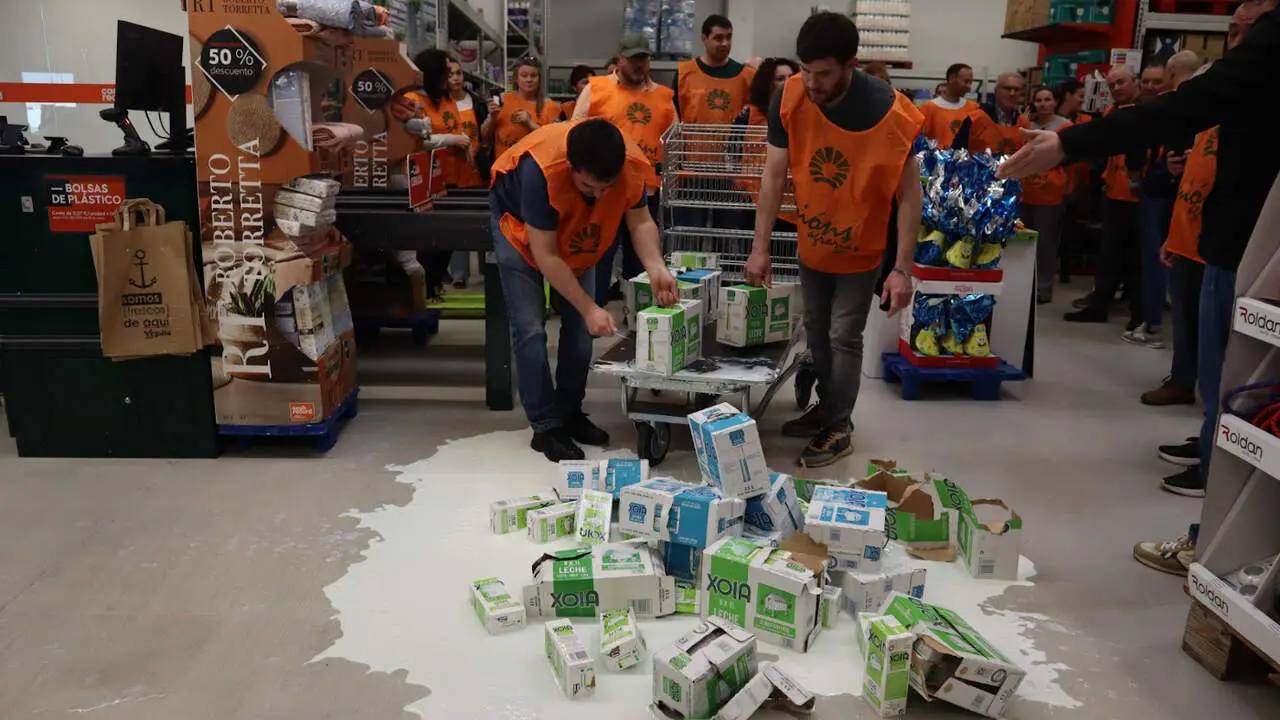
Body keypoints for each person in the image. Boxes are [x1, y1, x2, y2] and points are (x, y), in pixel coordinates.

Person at [998, 0, 1280, 571]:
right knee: (1235, 398)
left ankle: (1220, 551)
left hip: (1251, 249)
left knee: (1239, 400)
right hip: (1238, 241)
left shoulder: (1271, 45)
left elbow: (1189, 106)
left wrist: (1071, 143)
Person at [746, 12, 922, 468]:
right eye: (805, 70)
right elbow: (773, 175)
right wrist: (760, 247)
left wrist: (903, 268)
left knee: (845, 335)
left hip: (861, 251)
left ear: (851, 64)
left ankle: (839, 425)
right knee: (818, 335)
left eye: (823, 73)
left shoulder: (892, 112)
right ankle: (827, 407)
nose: (811, 82)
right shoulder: (788, 98)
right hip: (813, 243)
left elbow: (909, 196)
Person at [489, 118, 677, 461]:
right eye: (590, 186)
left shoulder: (629, 166)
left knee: (580, 330)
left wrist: (656, 267)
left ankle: (569, 411)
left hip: (582, 229)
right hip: (518, 226)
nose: (601, 194)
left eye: (607, 187)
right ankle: (546, 427)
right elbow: (546, 256)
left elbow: (641, 221)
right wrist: (589, 307)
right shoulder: (541, 170)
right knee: (530, 326)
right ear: (571, 168)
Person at [572, 34, 677, 303]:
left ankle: (640, 318)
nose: (639, 65)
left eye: (644, 59)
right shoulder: (596, 88)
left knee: (640, 262)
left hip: (645, 193)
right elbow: (573, 131)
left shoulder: (664, 97)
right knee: (598, 255)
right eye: (633, 59)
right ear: (620, 60)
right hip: (602, 190)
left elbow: (675, 143)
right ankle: (591, 312)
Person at [1128, 51, 1203, 349]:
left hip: (1161, 192)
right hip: (1189, 194)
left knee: (1156, 259)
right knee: (1180, 262)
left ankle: (1151, 325)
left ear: (1171, 73)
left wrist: (1148, 178)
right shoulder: (1208, 104)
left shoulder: (1173, 105)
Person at [1062, 67, 1145, 328]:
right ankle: (1100, 306)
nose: (1117, 88)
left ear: (1135, 82)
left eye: (1122, 82)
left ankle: (1140, 317)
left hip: (1142, 198)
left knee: (1137, 260)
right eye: (1112, 85)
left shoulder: (1149, 113)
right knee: (1108, 255)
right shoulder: (1111, 113)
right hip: (1114, 195)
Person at [406, 49, 475, 302]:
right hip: (424, 181)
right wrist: (452, 139)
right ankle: (428, 284)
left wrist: (465, 144)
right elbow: (415, 141)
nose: (450, 77)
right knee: (429, 236)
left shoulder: (447, 101)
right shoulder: (413, 100)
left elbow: (458, 131)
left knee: (450, 235)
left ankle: (435, 281)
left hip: (453, 177)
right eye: (446, 72)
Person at [1021, 86, 1072, 304]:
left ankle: (1043, 287)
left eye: (1047, 99)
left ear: (1054, 102)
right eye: (1039, 100)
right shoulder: (1025, 126)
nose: (1043, 104)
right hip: (1025, 191)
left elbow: (1072, 163)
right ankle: (1024, 285)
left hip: (1051, 193)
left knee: (1046, 243)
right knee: (1023, 243)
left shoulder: (1066, 127)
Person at [443, 56, 489, 289]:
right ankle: (458, 273)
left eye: (459, 73)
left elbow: (485, 134)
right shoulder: (438, 102)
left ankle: (486, 270)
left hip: (475, 171)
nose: (455, 78)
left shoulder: (477, 102)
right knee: (455, 223)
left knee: (481, 221)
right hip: (448, 172)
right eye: (450, 74)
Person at [483, 58, 561, 158]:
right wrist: (492, 118)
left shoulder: (551, 106)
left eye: (533, 76)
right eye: (524, 76)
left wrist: (530, 124)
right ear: (516, 78)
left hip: (533, 167)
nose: (529, 79)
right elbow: (485, 136)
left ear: (539, 79)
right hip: (502, 167)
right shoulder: (503, 99)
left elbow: (555, 141)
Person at [956, 72, 1029, 156]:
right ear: (996, 91)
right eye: (1007, 88)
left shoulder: (1024, 124)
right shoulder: (975, 119)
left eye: (1016, 89)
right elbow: (956, 153)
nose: (1012, 93)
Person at [919, 63, 979, 148]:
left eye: (970, 82)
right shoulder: (928, 108)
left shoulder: (974, 108)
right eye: (965, 81)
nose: (969, 86)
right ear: (951, 79)